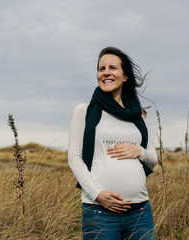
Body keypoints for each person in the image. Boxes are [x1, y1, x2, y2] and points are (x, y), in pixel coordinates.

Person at [68, 46, 158, 240]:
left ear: (125, 76)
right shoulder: (84, 111)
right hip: (100, 212)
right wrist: (97, 194)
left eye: (112, 68)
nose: (106, 73)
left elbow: (152, 159)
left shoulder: (139, 116)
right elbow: (74, 158)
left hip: (140, 211)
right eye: (101, 69)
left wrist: (139, 151)